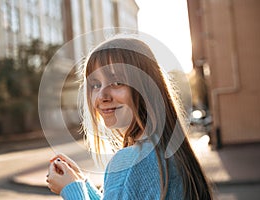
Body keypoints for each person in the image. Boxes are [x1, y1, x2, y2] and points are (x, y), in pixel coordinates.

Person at [46, 36, 213, 199]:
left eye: (117, 82)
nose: (102, 96)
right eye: (96, 85)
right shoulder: (168, 150)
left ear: (146, 88)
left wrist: (71, 190)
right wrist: (81, 184)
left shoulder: (130, 162)